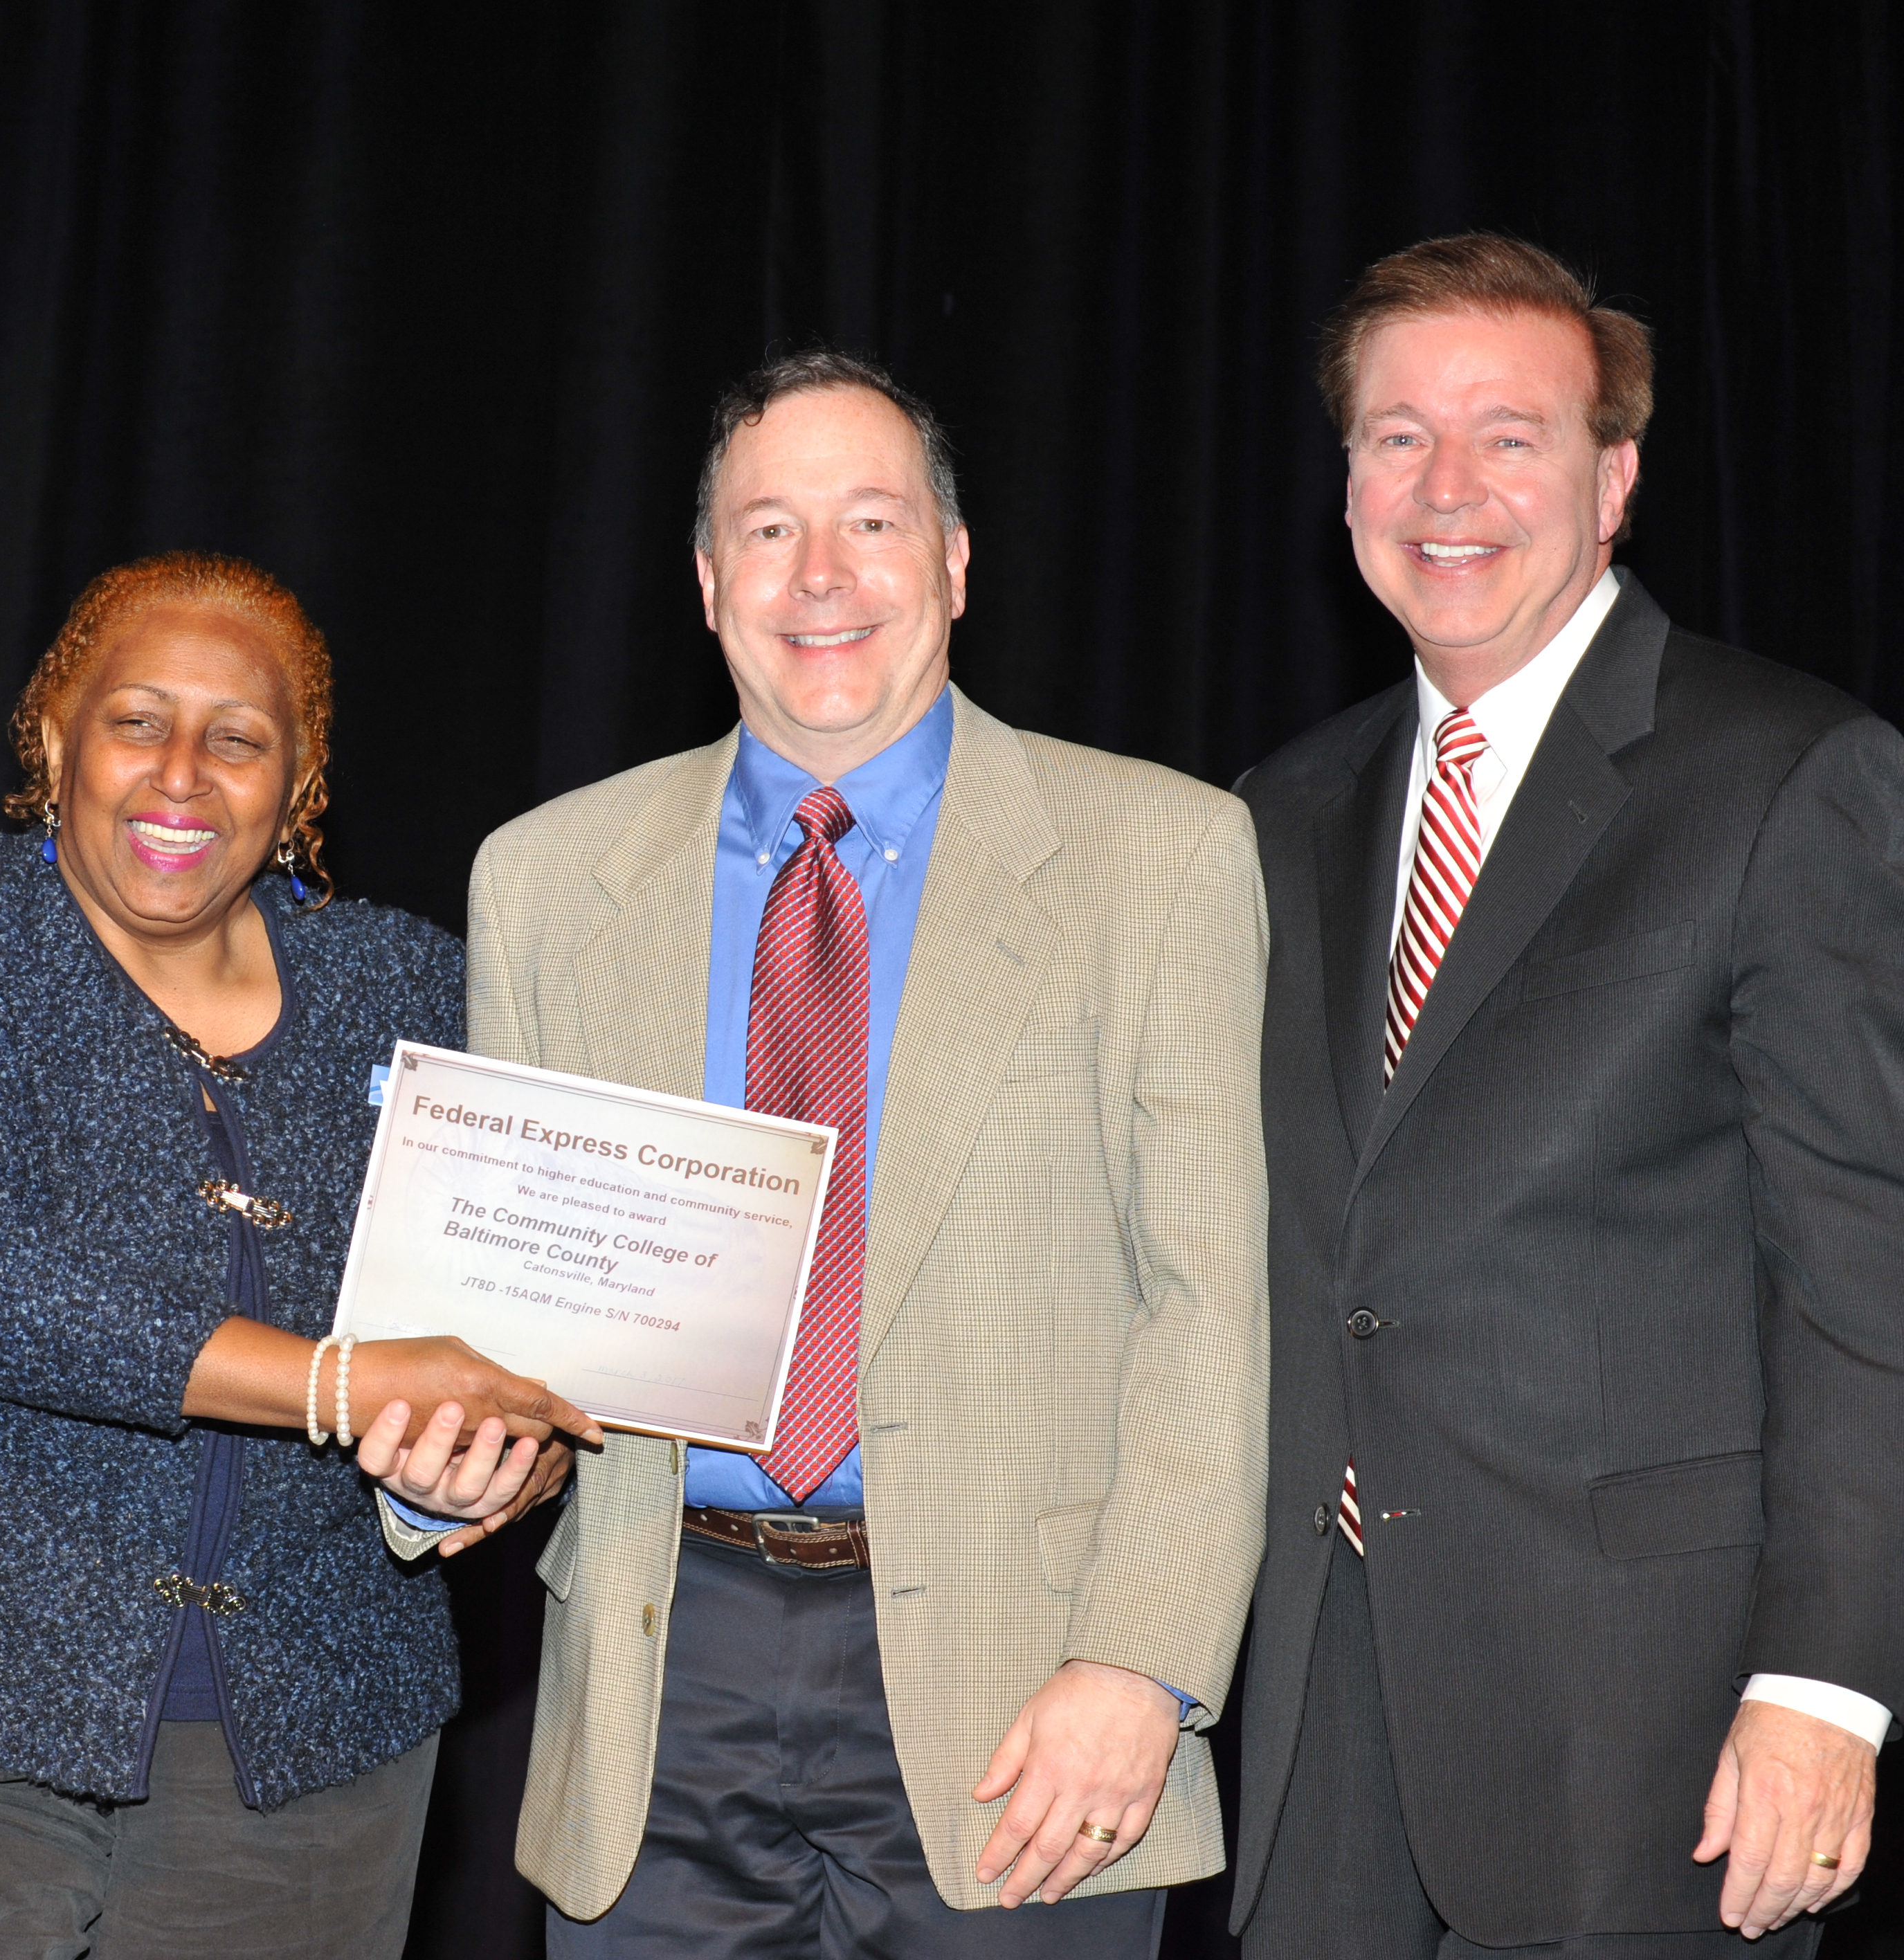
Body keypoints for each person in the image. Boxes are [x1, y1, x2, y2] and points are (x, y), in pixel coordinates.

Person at [405, 352, 1269, 1956]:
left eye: (870, 523)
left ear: (951, 561)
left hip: (1025, 1706)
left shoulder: (1161, 858)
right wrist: (446, 1452)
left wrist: (1142, 1663)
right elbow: (512, 1305)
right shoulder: (545, 878)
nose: (820, 578)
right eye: (768, 529)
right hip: (663, 1680)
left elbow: (1210, 1303)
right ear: (703, 579)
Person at [0, 550, 590, 1960]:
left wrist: (477, 1464)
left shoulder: (413, 987)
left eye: (239, 739)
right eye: (138, 720)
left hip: (314, 1758)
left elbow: (489, 1326)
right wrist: (332, 1383)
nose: (182, 773)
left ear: (299, 785)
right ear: (55, 739)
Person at [1228, 235, 1902, 1959]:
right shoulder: (1277, 813)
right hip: (1326, 1710)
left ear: (1612, 481)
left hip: (1650, 1727)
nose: (1445, 488)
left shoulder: (1786, 775)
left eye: (1507, 435)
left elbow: (1863, 1279)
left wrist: (1828, 1687)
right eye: (1395, 437)